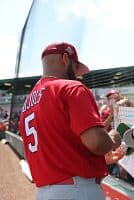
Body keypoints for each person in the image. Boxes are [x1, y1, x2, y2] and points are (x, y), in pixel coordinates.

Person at [19, 42, 121, 200]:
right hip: (76, 190)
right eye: (75, 67)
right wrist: (113, 140)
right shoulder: (70, 87)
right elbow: (98, 143)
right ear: (66, 59)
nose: (77, 75)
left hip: (44, 193)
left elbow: (59, 150)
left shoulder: (27, 104)